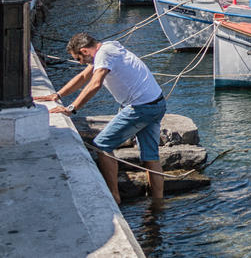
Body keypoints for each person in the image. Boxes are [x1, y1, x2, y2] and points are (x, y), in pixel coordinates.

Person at [36, 33, 166, 203]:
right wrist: (57, 94)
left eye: (78, 58)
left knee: (103, 144)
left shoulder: (104, 54)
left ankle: (114, 197)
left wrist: (71, 108)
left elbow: (95, 83)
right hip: (156, 103)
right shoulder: (107, 49)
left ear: (84, 50)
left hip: (140, 107)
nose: (80, 63)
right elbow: (83, 78)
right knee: (151, 157)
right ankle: (158, 204)